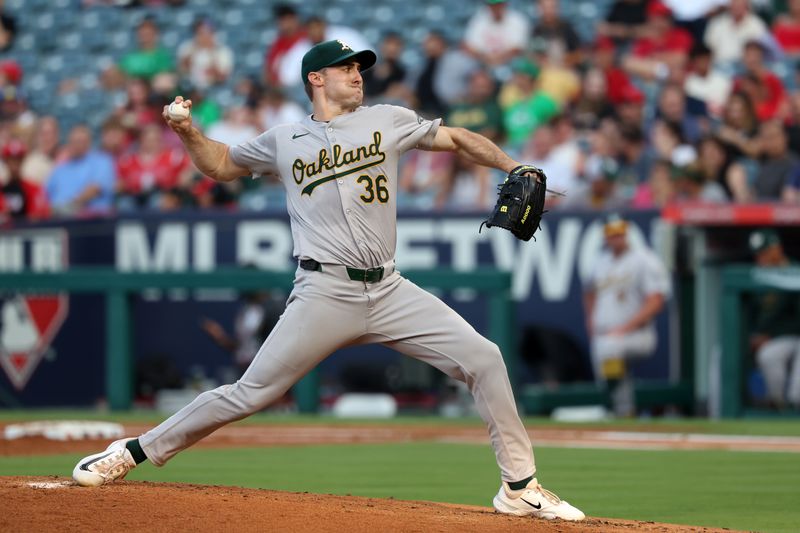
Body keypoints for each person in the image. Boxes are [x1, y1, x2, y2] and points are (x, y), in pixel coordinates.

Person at [72, 39, 585, 522]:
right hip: (324, 291)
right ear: (315, 77)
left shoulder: (387, 119)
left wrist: (512, 163)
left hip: (389, 289)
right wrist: (188, 133)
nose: (357, 74)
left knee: (484, 358)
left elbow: (454, 138)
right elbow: (223, 164)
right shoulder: (284, 140)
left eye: (360, 67)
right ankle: (133, 451)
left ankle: (519, 488)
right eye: (347, 67)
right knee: (250, 393)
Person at [583, 214, 671, 417]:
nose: (616, 239)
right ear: (605, 236)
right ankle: (617, 409)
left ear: (626, 233)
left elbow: (656, 301)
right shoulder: (600, 261)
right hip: (606, 333)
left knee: (610, 349)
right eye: (612, 235)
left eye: (619, 234)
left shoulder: (644, 259)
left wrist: (625, 328)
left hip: (638, 334)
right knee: (606, 358)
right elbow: (588, 291)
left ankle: (621, 409)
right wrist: (590, 318)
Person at [747, 229, 800, 410]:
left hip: (792, 335)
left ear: (777, 249)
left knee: (772, 355)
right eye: (758, 255)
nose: (761, 259)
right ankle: (778, 406)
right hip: (770, 339)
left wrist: (771, 334)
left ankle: (793, 405)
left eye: (765, 252)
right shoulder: (757, 276)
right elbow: (750, 315)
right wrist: (753, 336)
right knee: (768, 355)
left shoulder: (795, 271)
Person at [45, 125, 116, 216]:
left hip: (93, 221)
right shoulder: (60, 169)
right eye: (73, 141)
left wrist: (71, 204)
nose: (76, 145)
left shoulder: (102, 161)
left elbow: (95, 189)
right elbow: (46, 195)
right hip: (59, 219)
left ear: (89, 142)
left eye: (80, 141)